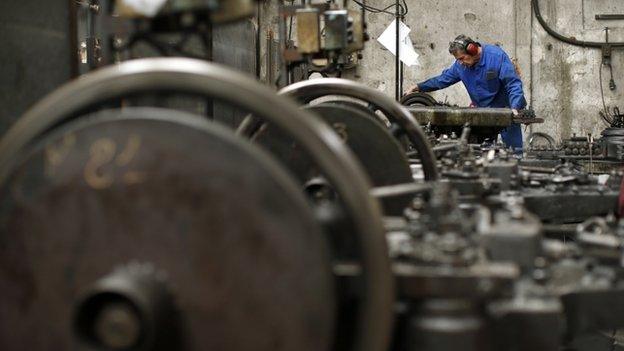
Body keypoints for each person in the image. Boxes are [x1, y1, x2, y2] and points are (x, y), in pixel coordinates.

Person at [408, 35, 527, 151]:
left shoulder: (496, 56)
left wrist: (515, 106)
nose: (460, 62)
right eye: (457, 60)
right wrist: (419, 87)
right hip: (482, 113)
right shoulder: (460, 66)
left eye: (461, 58)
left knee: (514, 151)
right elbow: (442, 80)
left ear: (473, 50)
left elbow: (513, 83)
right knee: (481, 151)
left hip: (506, 110)